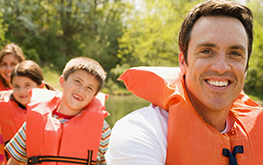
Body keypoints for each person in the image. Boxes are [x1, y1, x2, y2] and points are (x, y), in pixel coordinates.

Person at [105, 0, 263, 164]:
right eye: (206, 51)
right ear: (183, 62)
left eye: (235, 53)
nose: (221, 67)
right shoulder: (140, 132)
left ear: (245, 67)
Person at [5, 57, 111, 165]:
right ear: (62, 82)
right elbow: (14, 161)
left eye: (89, 88)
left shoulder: (102, 129)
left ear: (94, 96)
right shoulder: (35, 121)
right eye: (77, 81)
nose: (81, 90)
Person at [0, 60, 56, 165]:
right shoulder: (7, 116)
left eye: (27, 85)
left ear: (40, 87)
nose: (21, 91)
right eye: (16, 86)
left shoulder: (54, 114)